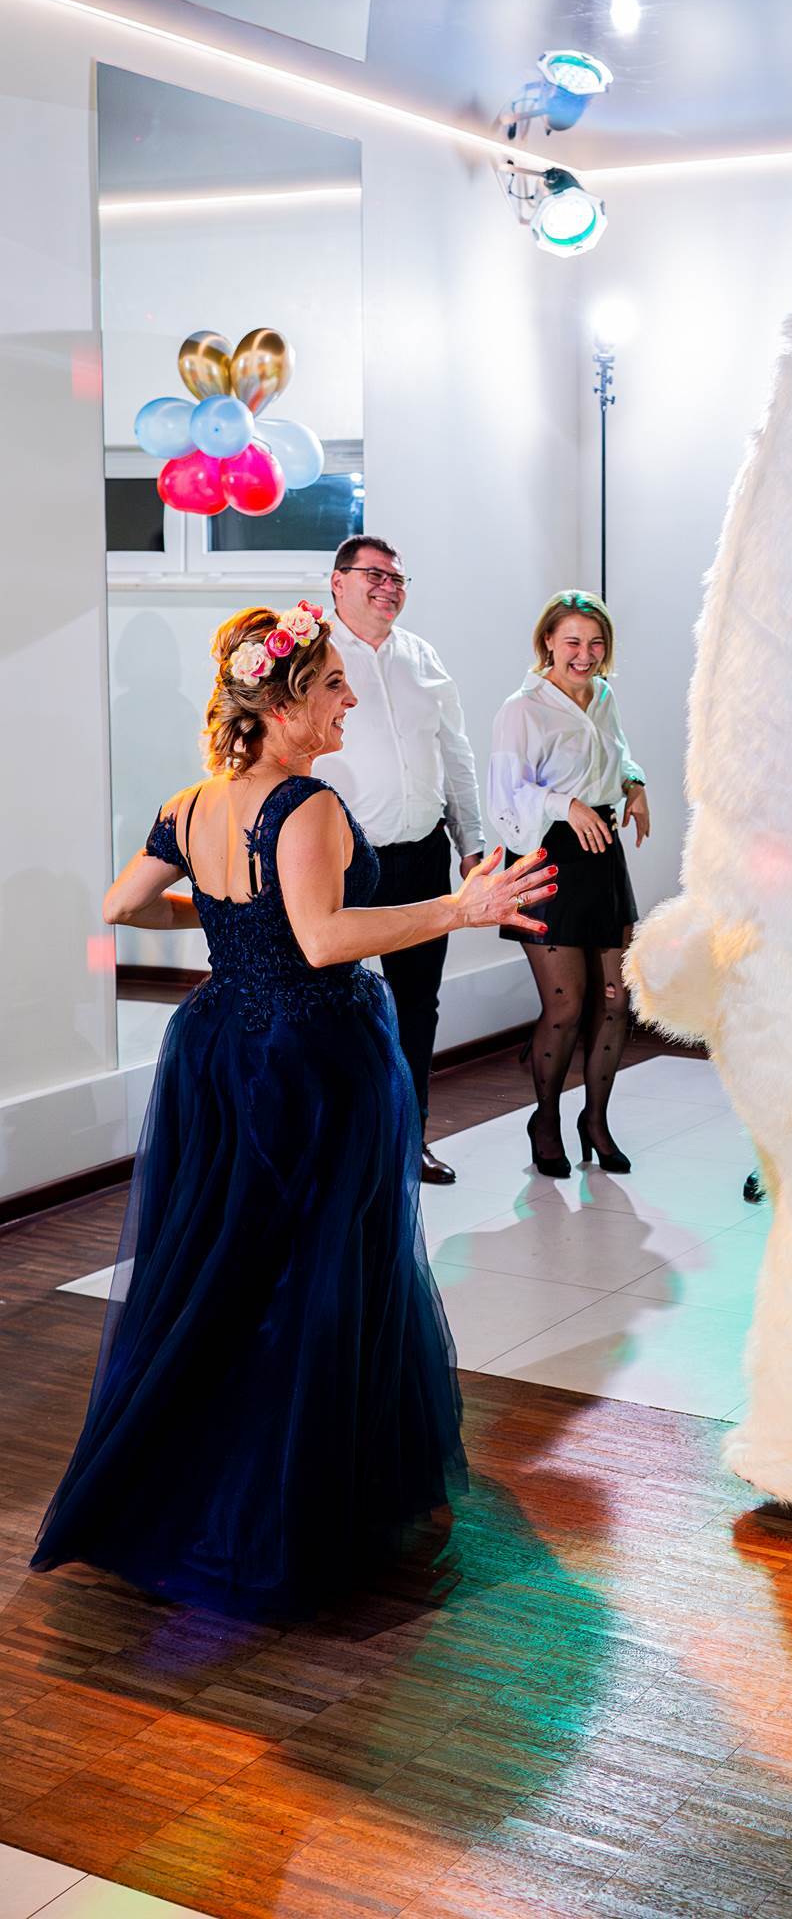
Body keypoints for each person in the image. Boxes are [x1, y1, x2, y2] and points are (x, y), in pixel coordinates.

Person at [32, 606, 555, 1620]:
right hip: (313, 1061)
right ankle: (291, 1504)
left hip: (221, 1048)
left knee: (228, 1264)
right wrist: (460, 910)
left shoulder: (190, 805)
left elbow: (122, 906)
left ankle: (198, 1473)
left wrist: (229, 917)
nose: (349, 699)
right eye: (331, 686)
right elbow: (322, 940)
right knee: (319, 1268)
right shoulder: (304, 804)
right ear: (280, 704)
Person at [316, 535, 487, 1185]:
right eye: (375, 575)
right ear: (339, 582)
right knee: (333, 1004)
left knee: (417, 1004)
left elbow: (456, 755)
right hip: (341, 864)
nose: (389, 587)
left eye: (398, 579)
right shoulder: (311, 653)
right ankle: (339, 1145)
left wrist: (471, 844)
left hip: (422, 857)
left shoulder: (423, 657)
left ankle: (410, 1141)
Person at [489, 591, 649, 1178]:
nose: (585, 654)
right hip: (548, 855)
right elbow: (507, 794)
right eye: (573, 641)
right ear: (548, 643)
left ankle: (596, 1121)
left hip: (601, 854)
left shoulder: (603, 696)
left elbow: (616, 754)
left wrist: (634, 784)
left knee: (616, 1001)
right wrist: (567, 805)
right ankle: (546, 1121)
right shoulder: (522, 709)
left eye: (596, 642)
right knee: (566, 1005)